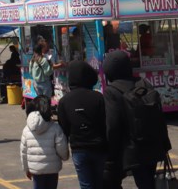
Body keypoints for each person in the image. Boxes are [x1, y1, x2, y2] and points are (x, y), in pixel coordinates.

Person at [103, 51, 170, 189]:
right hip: (153, 143)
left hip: (132, 148)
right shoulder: (143, 83)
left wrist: (110, 153)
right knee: (149, 182)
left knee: (143, 183)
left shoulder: (112, 91)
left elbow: (112, 126)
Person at [57, 60, 107, 189]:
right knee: (100, 182)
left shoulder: (64, 101)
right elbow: (105, 122)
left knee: (86, 184)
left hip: (78, 148)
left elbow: (64, 128)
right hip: (99, 146)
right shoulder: (98, 97)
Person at [21, 96, 70, 189]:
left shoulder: (27, 129)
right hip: (52, 169)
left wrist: (26, 169)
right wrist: (65, 156)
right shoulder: (55, 128)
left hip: (36, 169)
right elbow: (61, 147)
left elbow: (23, 152)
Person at [30, 43, 54, 108]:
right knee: (46, 100)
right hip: (45, 83)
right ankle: (46, 114)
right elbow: (48, 72)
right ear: (41, 50)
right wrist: (51, 67)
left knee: (39, 100)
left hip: (36, 83)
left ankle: (40, 113)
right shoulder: (43, 60)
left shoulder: (32, 60)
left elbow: (30, 72)